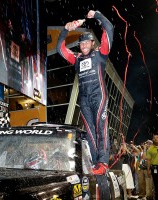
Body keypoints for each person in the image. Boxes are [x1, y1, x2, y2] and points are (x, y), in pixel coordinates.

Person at [56, 10, 114, 175]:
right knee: (89, 132)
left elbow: (109, 29)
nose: (84, 45)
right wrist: (66, 30)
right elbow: (60, 49)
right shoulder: (77, 58)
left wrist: (97, 15)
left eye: (87, 43)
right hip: (84, 99)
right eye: (81, 44)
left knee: (100, 127)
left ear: (92, 43)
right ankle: (95, 164)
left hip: (99, 96)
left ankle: (103, 162)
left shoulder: (100, 54)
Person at [146, 133, 158, 200]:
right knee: (156, 184)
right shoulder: (150, 149)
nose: (156, 139)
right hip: (155, 168)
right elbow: (148, 160)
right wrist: (148, 170)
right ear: (153, 139)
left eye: (157, 137)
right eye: (154, 137)